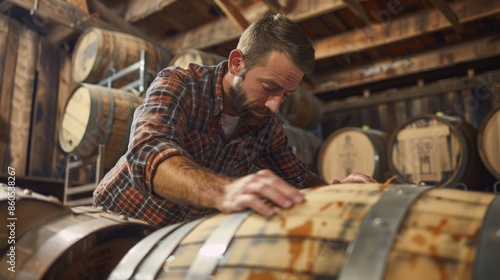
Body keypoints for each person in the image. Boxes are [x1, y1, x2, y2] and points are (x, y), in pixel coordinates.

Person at [93, 14, 375, 227]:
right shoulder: (180, 84)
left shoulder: (265, 125)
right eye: (269, 87)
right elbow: (147, 154)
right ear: (236, 62)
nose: (275, 106)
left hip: (171, 242)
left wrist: (337, 193)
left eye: (286, 95)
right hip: (116, 224)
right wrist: (223, 191)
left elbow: (299, 179)